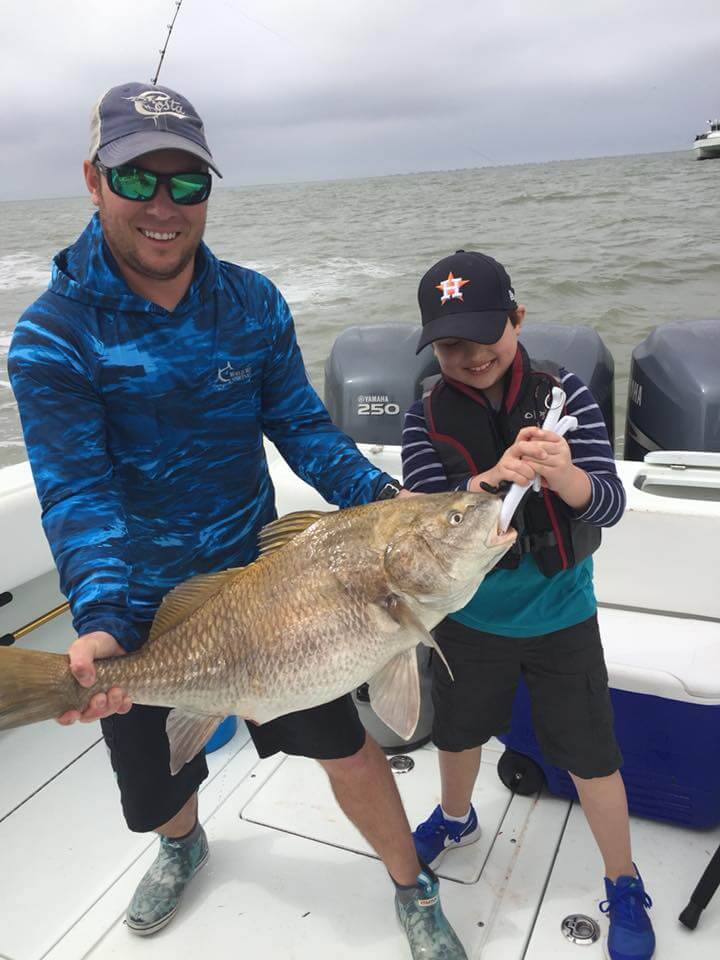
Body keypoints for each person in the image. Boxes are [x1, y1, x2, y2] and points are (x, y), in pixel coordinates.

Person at [8, 81, 467, 960]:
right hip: (141, 607)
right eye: (138, 178)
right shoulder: (52, 337)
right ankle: (183, 845)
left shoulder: (251, 302)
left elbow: (300, 427)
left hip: (275, 595)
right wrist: (103, 619)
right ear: (93, 180)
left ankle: (412, 884)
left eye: (188, 183)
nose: (164, 206)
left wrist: (384, 506)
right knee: (158, 782)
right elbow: (77, 490)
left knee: (348, 749)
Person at [400, 250, 656, 960]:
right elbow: (420, 518)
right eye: (450, 343)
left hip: (560, 616)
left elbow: (607, 502)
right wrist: (487, 482)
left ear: (517, 318)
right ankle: (456, 819)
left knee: (592, 758)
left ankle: (623, 877)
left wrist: (564, 474)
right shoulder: (425, 413)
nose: (470, 355)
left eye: (486, 333)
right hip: (469, 618)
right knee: (457, 736)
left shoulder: (563, 394)